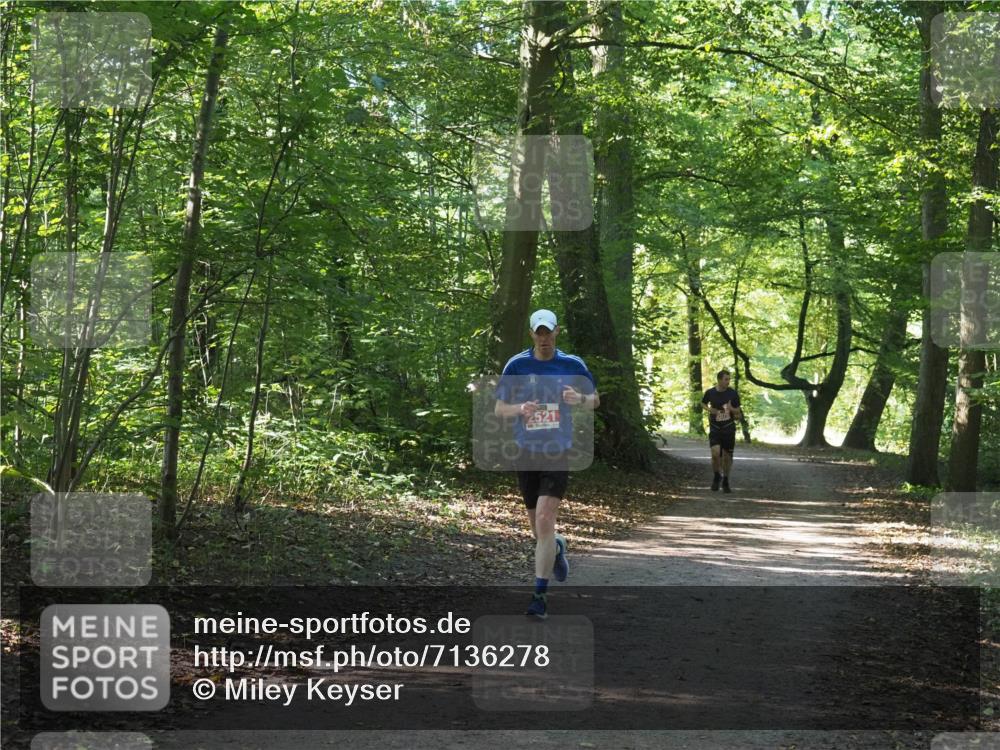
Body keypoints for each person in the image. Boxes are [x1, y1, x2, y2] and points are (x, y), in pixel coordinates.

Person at [494, 309, 599, 620]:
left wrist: (578, 400)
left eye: (548, 332)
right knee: (538, 529)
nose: (544, 338)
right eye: (538, 332)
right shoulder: (516, 365)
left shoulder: (571, 364)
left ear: (556, 332)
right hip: (526, 452)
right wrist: (520, 409)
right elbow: (500, 409)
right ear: (531, 334)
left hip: (557, 450)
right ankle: (557, 547)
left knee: (543, 517)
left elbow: (595, 399)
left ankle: (539, 597)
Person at [701, 369, 742, 493]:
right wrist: (709, 410)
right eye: (726, 379)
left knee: (727, 457)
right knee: (715, 454)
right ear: (719, 380)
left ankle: (726, 479)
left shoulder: (733, 394)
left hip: (728, 428)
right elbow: (703, 403)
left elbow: (738, 411)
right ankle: (716, 476)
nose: (728, 382)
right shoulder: (710, 392)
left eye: (729, 379)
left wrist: (731, 409)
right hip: (715, 428)